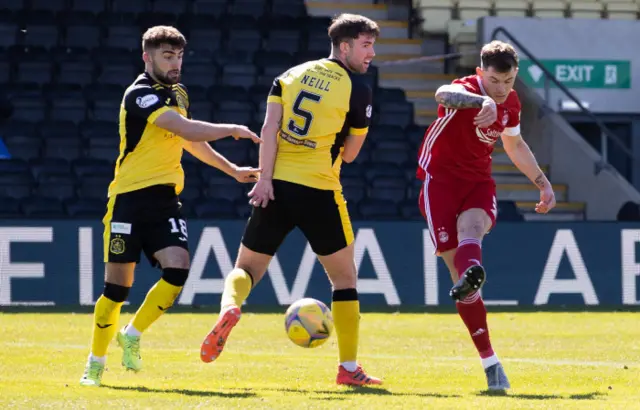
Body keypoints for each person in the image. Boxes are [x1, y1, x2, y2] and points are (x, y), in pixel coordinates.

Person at [199, 13, 382, 386]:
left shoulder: (290, 75)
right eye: (365, 45)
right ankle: (348, 370)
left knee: (247, 268)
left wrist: (264, 179)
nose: (372, 54)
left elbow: (269, 129)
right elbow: (349, 155)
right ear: (344, 46)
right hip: (320, 190)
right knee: (344, 281)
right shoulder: (358, 88)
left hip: (276, 185)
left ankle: (230, 307)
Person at [80, 26, 262, 387]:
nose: (175, 62)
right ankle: (95, 363)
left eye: (178, 55)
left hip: (164, 198)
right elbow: (187, 129)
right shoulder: (140, 95)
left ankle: (132, 334)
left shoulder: (177, 93)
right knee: (117, 290)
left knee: (177, 269)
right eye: (167, 56)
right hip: (129, 199)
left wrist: (232, 169)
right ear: (147, 57)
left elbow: (188, 140)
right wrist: (232, 129)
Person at [416, 40, 556, 390]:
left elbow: (514, 144)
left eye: (508, 82)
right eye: (495, 81)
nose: (502, 89)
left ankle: (473, 269)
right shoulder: (466, 89)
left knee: (473, 229)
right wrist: (483, 101)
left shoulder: (511, 103)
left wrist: (542, 182)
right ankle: (490, 361)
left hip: (478, 180)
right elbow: (441, 93)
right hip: (440, 182)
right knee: (460, 281)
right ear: (481, 73)